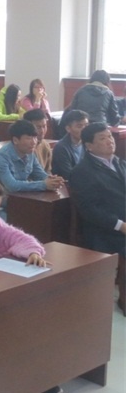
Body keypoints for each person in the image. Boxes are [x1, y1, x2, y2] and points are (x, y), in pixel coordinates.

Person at [69, 123, 126, 314]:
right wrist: (120, 226)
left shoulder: (119, 162)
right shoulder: (82, 172)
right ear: (89, 146)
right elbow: (90, 210)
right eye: (102, 138)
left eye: (110, 136)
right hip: (105, 231)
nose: (110, 141)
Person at [0, 120, 65, 219]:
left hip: (20, 201)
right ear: (15, 140)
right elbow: (12, 186)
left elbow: (40, 174)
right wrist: (44, 184)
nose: (34, 142)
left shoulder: (30, 153)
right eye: (29, 138)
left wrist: (53, 180)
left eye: (35, 137)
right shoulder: (1, 158)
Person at [52, 110, 89, 180]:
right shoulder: (61, 147)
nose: (84, 129)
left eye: (86, 125)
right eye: (79, 126)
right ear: (68, 129)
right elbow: (68, 175)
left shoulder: (88, 143)